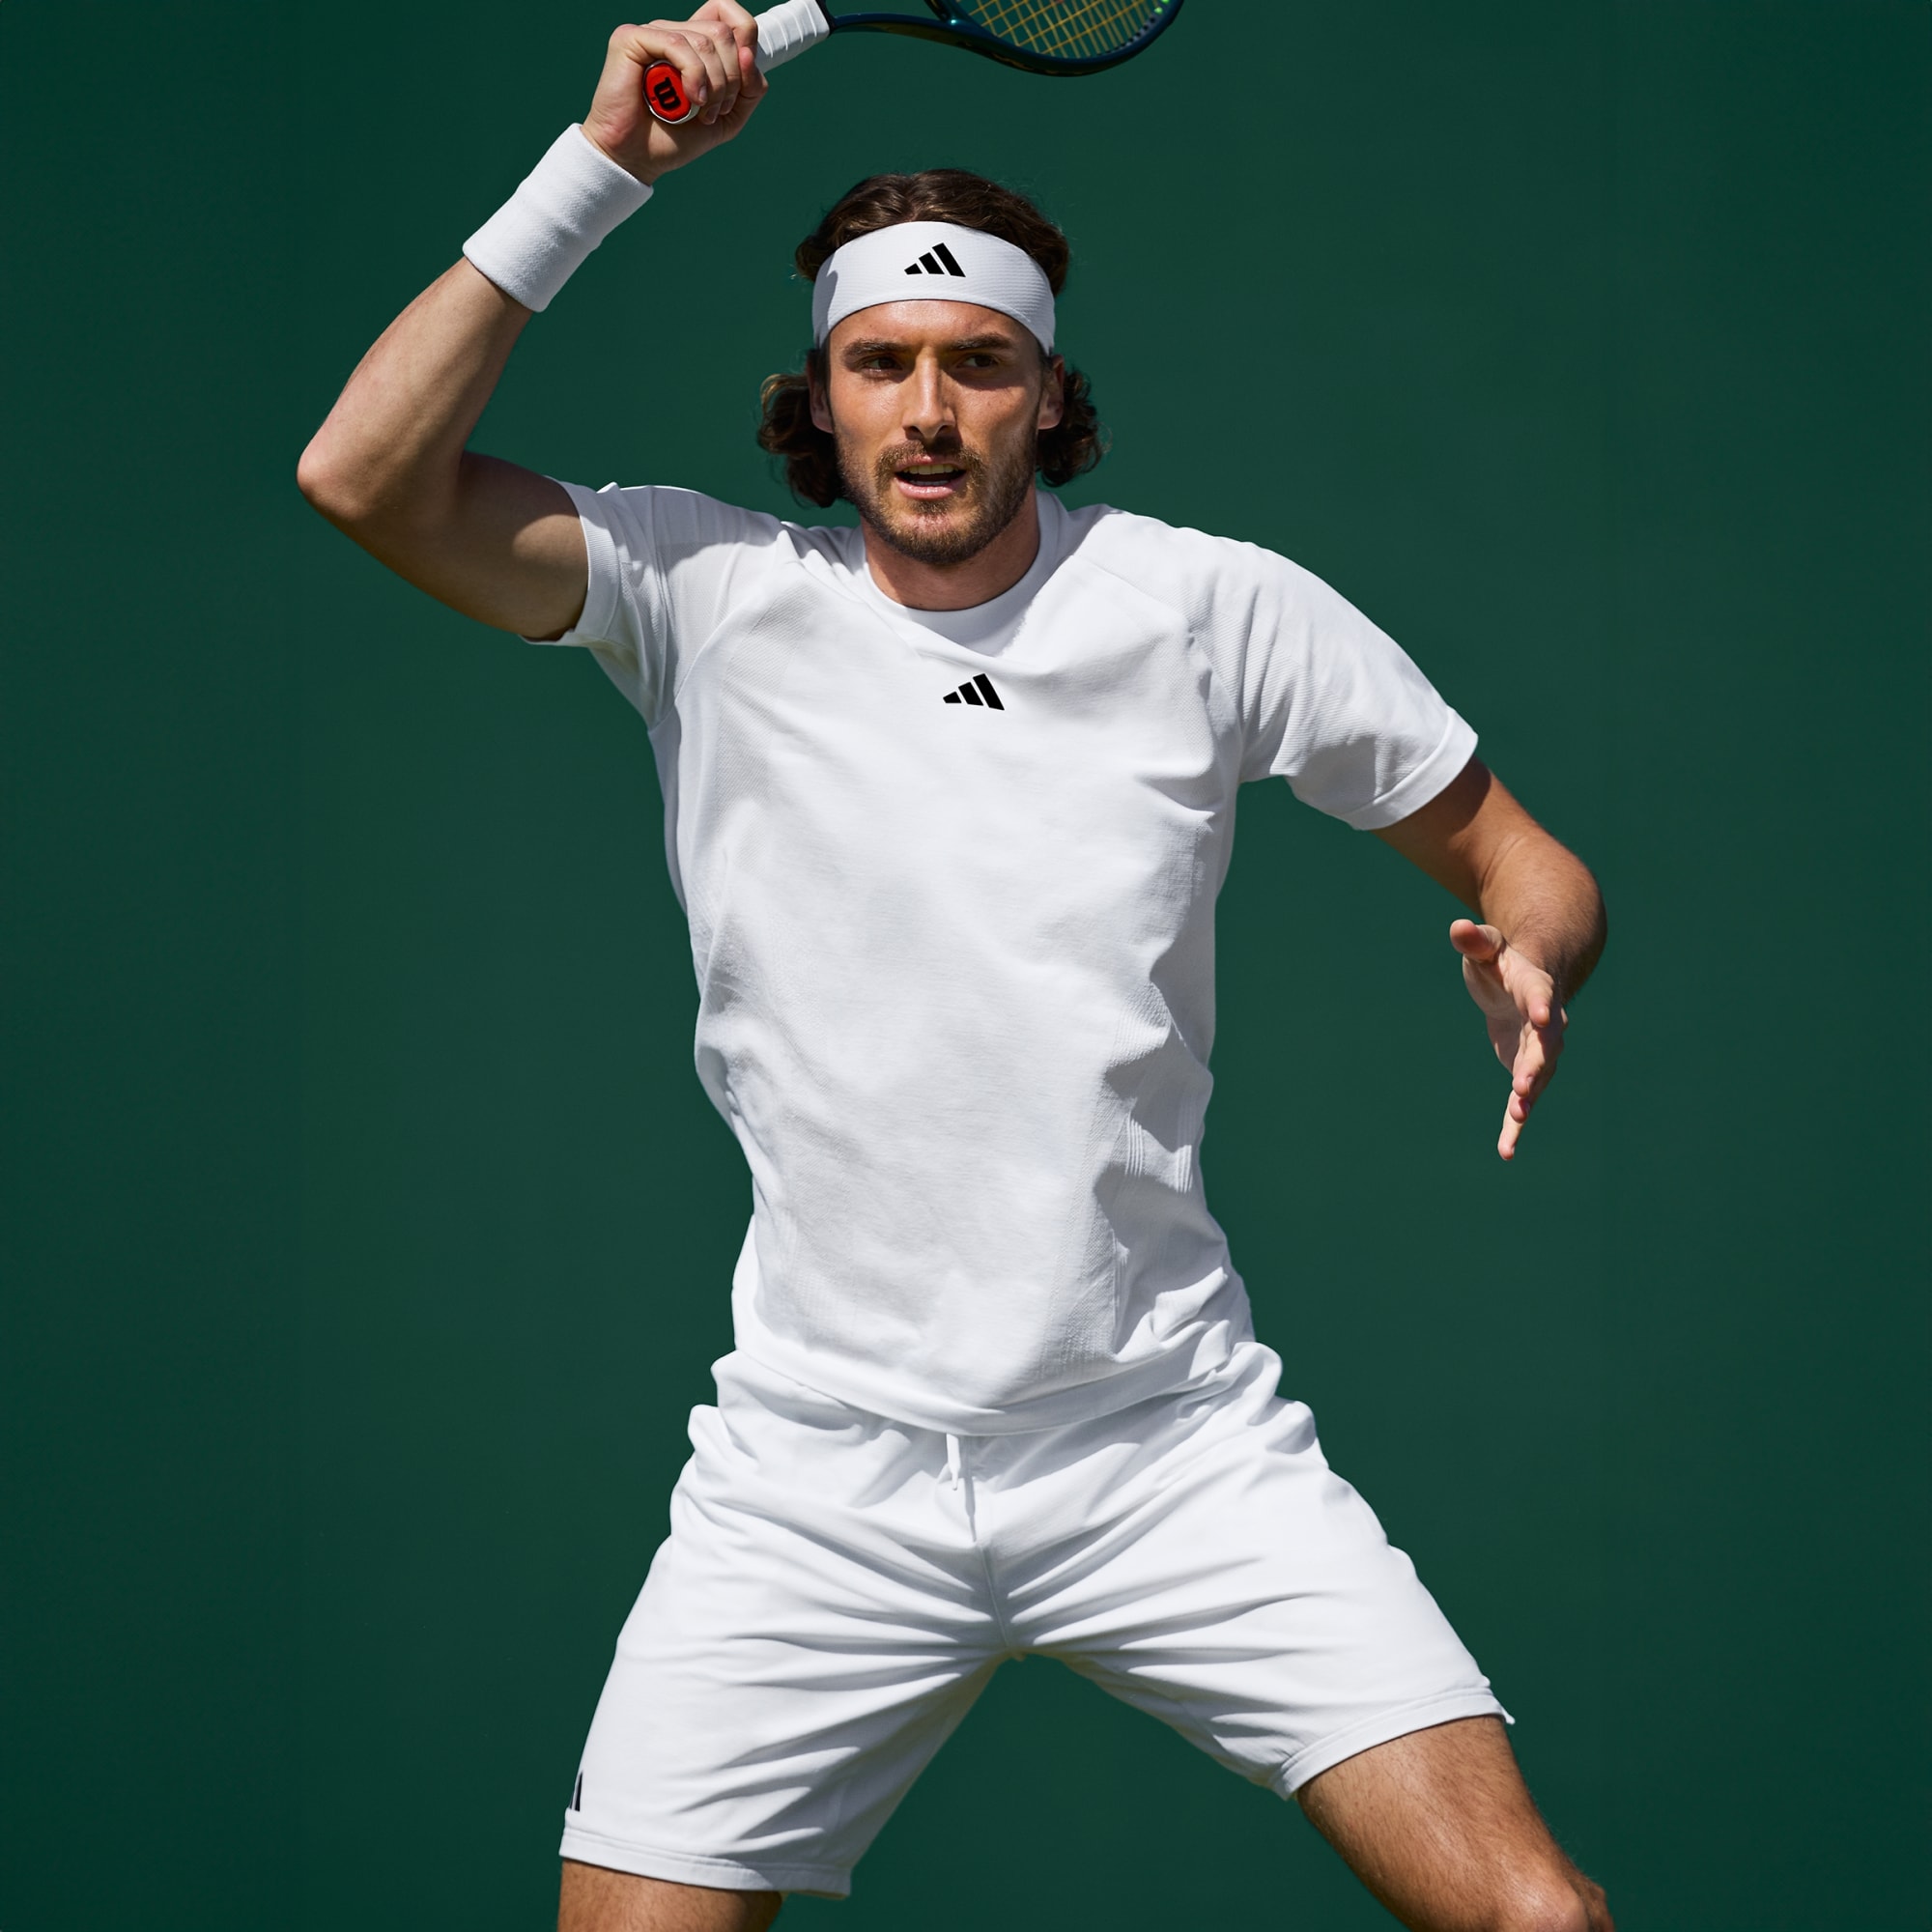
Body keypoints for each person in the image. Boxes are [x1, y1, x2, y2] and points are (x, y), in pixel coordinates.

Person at [298, 10, 1612, 1928]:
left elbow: (1526, 861)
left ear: (1045, 395)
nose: (930, 409)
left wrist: (1536, 955)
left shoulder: (1206, 607)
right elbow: (364, 476)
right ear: (819, 399)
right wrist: (605, 170)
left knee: (1534, 1918)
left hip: (1165, 1445)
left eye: (979, 364)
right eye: (882, 363)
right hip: (813, 1480)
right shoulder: (699, 593)